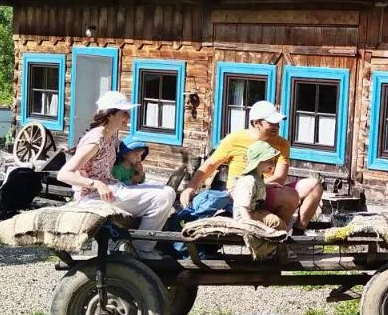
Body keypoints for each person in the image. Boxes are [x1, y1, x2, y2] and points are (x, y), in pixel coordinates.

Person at [56, 91, 176, 259]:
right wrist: (95, 184)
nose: (128, 116)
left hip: (113, 189)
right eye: (124, 113)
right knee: (164, 196)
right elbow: (63, 174)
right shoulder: (95, 141)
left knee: (164, 189)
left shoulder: (110, 136)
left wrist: (136, 161)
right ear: (111, 115)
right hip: (94, 197)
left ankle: (139, 244)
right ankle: (141, 249)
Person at [178, 100, 323, 229]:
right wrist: (190, 187)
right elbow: (210, 164)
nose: (276, 126)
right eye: (271, 122)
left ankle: (297, 232)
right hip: (242, 192)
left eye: (278, 123)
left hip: (270, 189)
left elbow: (280, 178)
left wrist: (262, 184)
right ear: (255, 123)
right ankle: (278, 239)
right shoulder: (235, 139)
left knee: (314, 185)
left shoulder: (282, 143)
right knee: (289, 195)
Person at [230, 141, 287, 229]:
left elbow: (257, 187)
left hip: (254, 211)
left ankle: (274, 239)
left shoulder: (257, 177)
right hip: (244, 217)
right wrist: (250, 225)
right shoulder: (249, 181)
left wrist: (269, 186)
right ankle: (270, 241)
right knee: (276, 222)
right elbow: (242, 206)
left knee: (278, 222)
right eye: (269, 161)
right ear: (258, 163)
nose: (273, 164)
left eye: (273, 161)